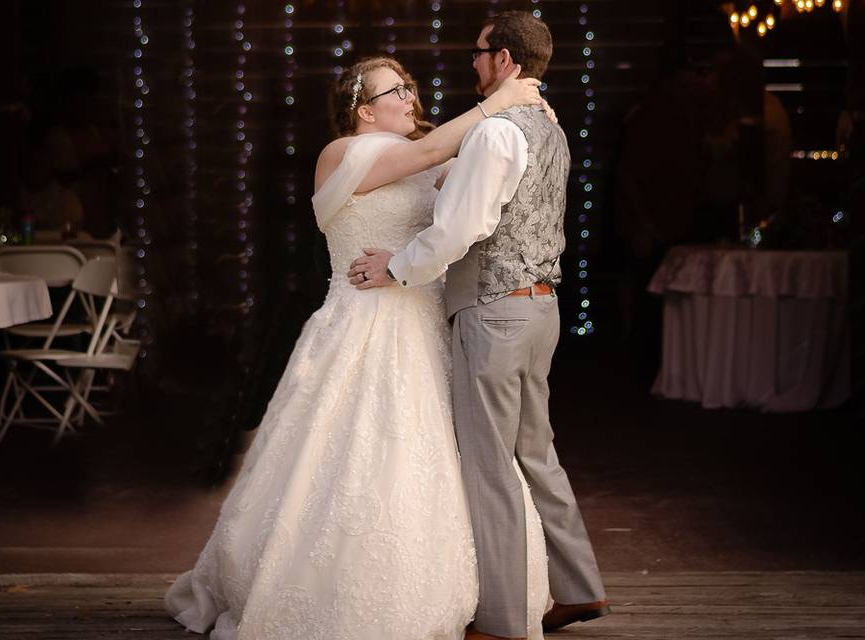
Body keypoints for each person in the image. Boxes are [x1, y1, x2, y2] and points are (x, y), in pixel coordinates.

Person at [165, 57, 548, 640]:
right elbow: (426, 154)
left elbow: (460, 178)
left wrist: (523, 111)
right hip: (362, 325)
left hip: (424, 324)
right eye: (397, 89)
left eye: (411, 86)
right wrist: (499, 100)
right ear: (364, 109)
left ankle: (486, 589)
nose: (412, 96)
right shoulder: (341, 153)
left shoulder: (421, 155)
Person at [348, 12, 609, 639]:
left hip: (494, 310)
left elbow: (464, 228)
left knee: (490, 464)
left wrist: (398, 267)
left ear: (507, 62)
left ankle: (503, 620)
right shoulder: (550, 128)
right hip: (540, 306)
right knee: (536, 454)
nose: (473, 62)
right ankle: (578, 586)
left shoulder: (495, 134)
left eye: (480, 52)